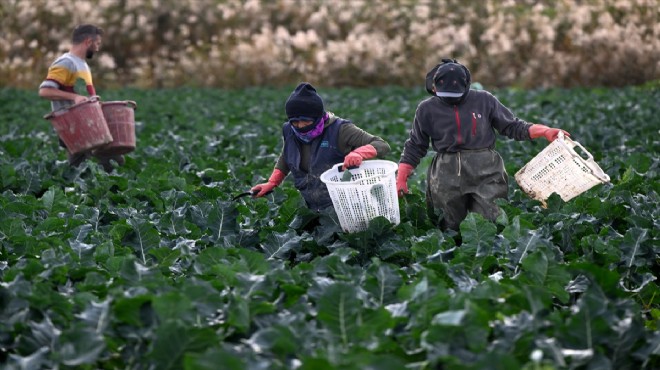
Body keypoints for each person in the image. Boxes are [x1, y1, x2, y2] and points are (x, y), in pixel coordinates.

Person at [397, 59, 570, 231]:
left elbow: (512, 126)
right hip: (445, 172)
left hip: (486, 169)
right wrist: (401, 178)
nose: (451, 101)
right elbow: (415, 145)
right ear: (434, 88)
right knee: (448, 225)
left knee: (490, 222)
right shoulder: (426, 109)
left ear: (466, 87)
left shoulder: (484, 100)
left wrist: (545, 131)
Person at [251, 82, 391, 212]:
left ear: (318, 117)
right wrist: (272, 183)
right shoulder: (289, 130)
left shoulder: (340, 129)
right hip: (309, 207)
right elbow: (287, 156)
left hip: (343, 206)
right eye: (295, 122)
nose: (300, 126)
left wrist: (359, 154)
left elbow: (381, 145)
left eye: (306, 121)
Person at [39, 24, 124, 172]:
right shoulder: (66, 62)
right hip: (74, 127)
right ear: (88, 42)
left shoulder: (82, 64)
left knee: (101, 163)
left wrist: (95, 103)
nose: (97, 48)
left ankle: (80, 190)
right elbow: (45, 91)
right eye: (97, 44)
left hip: (87, 126)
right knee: (103, 163)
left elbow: (84, 97)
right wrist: (75, 97)